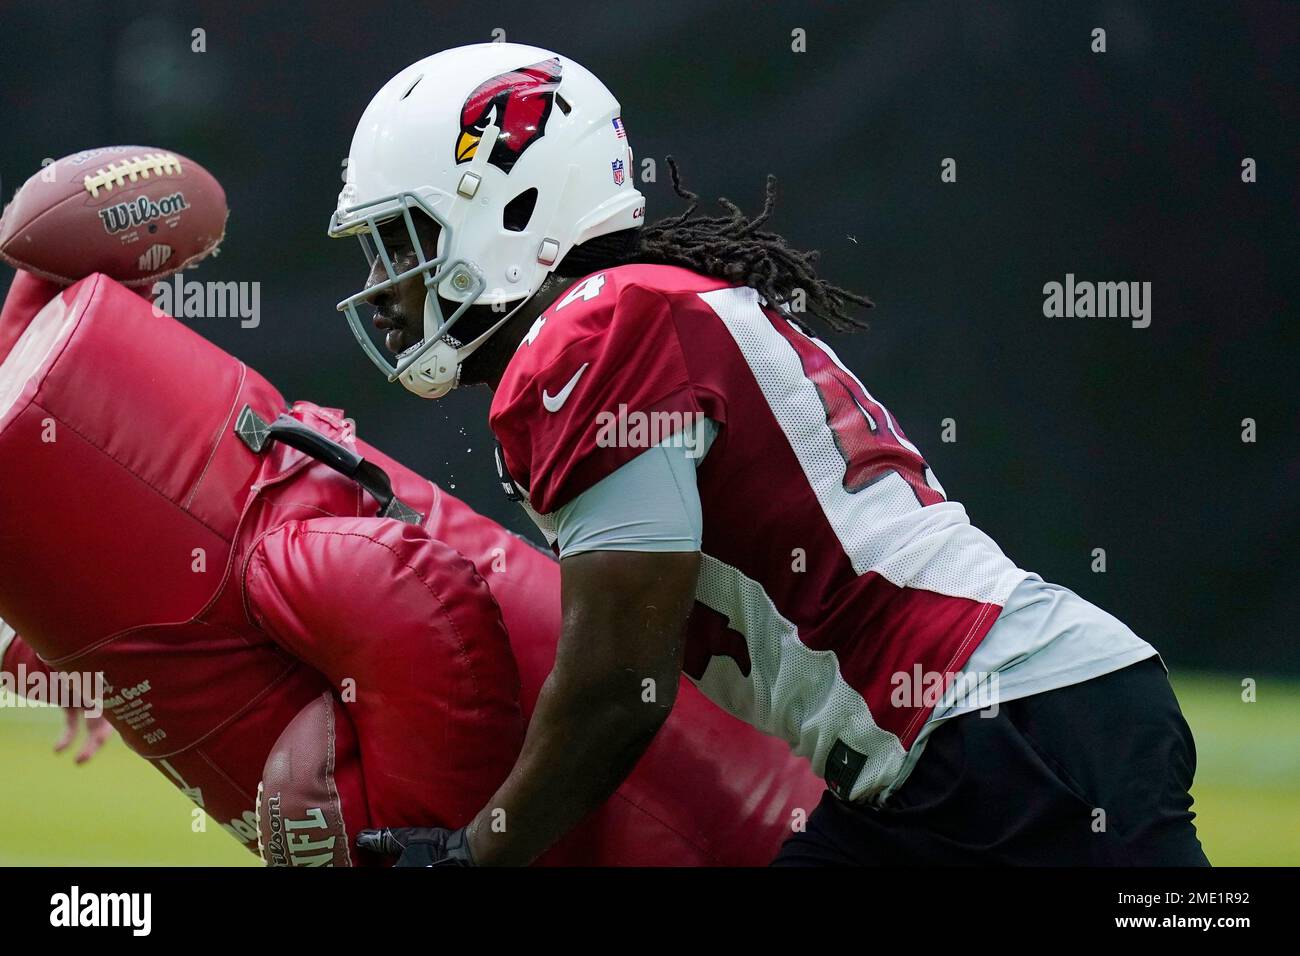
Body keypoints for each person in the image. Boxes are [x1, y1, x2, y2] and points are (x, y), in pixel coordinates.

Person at [328, 42, 1209, 867]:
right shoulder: (635, 310)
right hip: (961, 743)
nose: (386, 287)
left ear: (512, 210)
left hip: (1000, 727)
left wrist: (474, 855)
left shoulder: (596, 333)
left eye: (404, 241)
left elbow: (615, 684)